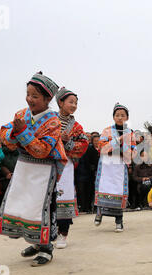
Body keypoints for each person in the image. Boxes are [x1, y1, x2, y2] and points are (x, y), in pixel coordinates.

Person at [0, 71, 67, 267]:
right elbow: (5, 138)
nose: (29, 99)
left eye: (35, 96)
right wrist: (15, 132)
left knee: (41, 207)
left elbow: (42, 150)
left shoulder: (53, 121)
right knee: (25, 204)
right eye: (28, 94)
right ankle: (36, 242)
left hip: (44, 169)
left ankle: (46, 248)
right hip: (24, 166)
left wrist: (22, 133)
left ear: (47, 99)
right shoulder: (21, 114)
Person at [55, 87, 89, 249]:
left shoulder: (77, 127)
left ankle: (63, 233)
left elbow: (83, 145)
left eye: (76, 103)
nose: (74, 105)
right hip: (47, 166)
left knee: (63, 198)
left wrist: (67, 143)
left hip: (65, 166)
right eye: (71, 102)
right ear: (60, 102)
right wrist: (57, 138)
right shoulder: (49, 120)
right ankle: (47, 233)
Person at [94, 103, 136, 232]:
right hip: (107, 165)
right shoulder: (107, 130)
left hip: (119, 165)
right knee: (104, 188)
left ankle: (119, 221)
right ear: (113, 117)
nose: (120, 117)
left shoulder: (130, 133)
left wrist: (120, 148)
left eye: (123, 115)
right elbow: (101, 146)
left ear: (127, 118)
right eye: (117, 115)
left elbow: (133, 151)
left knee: (119, 191)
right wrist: (119, 141)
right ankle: (99, 213)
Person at [75, 133, 100, 213]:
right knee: (84, 191)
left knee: (93, 191)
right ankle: (85, 207)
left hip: (97, 173)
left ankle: (92, 207)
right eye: (95, 141)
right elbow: (86, 161)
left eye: (98, 140)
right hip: (87, 173)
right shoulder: (89, 149)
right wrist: (91, 167)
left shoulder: (102, 148)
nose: (97, 142)